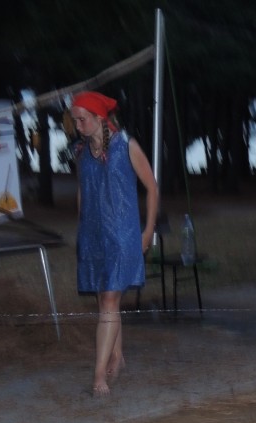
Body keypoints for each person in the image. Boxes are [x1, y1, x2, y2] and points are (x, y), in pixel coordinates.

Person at [70, 91, 159, 398]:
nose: (77, 126)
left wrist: (148, 231)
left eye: (82, 119)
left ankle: (98, 374)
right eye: (75, 120)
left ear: (99, 118)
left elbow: (152, 187)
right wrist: (81, 228)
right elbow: (83, 190)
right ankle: (117, 355)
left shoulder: (126, 146)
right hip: (93, 236)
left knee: (109, 299)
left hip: (122, 236)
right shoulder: (81, 152)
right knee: (105, 301)